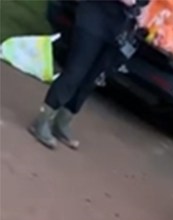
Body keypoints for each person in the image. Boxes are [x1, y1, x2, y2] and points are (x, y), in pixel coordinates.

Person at [29, 0, 145, 150]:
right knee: (76, 71)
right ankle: (42, 120)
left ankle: (62, 122)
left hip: (120, 28)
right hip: (95, 16)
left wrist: (144, 13)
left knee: (92, 78)